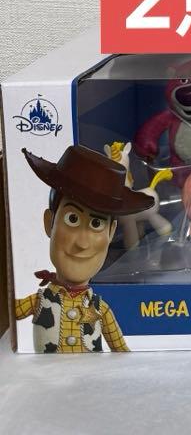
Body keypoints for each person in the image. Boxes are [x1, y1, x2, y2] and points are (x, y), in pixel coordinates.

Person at [15, 144, 154, 353]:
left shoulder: (100, 309)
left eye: (97, 224)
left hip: (92, 375)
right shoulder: (40, 301)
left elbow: (122, 353)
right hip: (46, 375)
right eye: (72, 219)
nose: (82, 243)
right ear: (49, 223)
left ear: (110, 233)